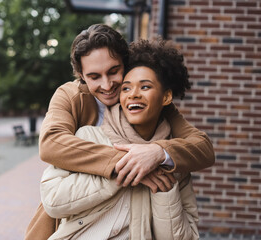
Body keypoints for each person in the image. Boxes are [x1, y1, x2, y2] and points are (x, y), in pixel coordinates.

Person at [25, 24, 214, 240]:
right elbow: (51, 143)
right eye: (94, 76)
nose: (107, 85)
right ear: (82, 76)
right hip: (75, 221)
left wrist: (157, 153)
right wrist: (128, 164)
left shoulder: (150, 103)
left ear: (126, 63)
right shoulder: (71, 96)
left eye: (114, 71)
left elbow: (203, 147)